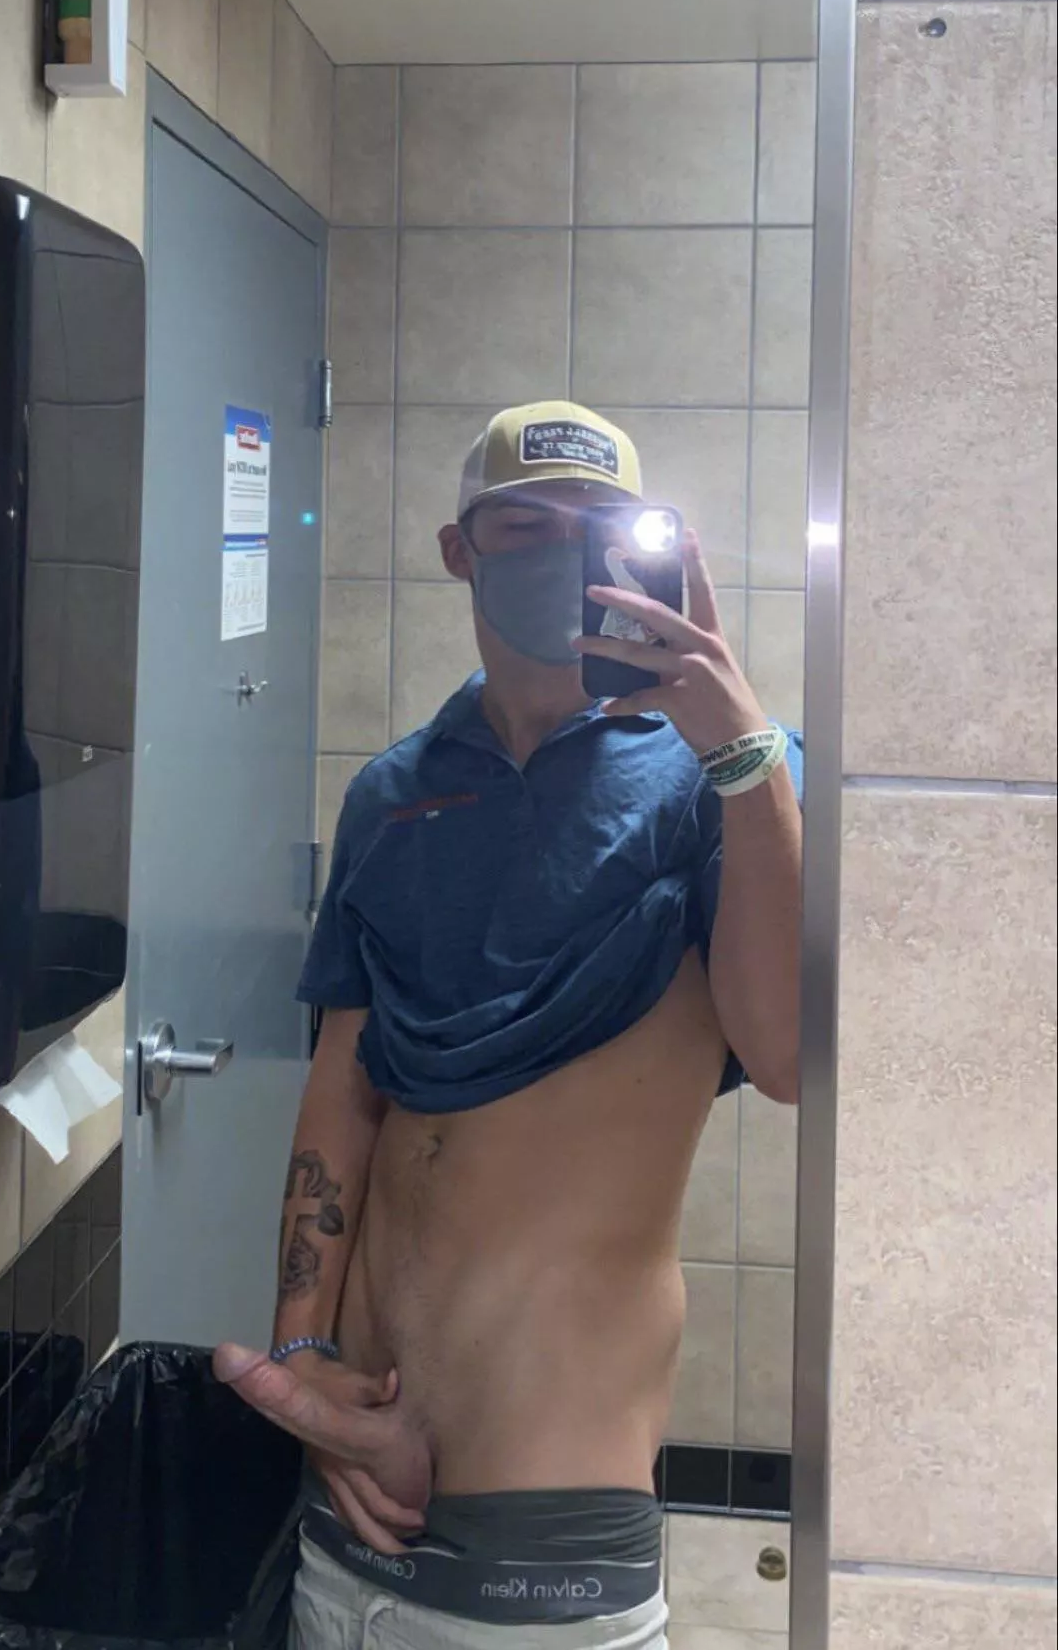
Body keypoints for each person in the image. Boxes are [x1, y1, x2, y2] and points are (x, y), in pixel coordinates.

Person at [214, 402, 803, 1649]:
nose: (560, 556)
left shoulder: (728, 783)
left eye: (597, 530)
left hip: (547, 1546)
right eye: (524, 527)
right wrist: (301, 1348)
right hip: (348, 1499)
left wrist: (743, 756)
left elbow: (787, 1055)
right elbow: (345, 1087)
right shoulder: (393, 792)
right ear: (457, 550)